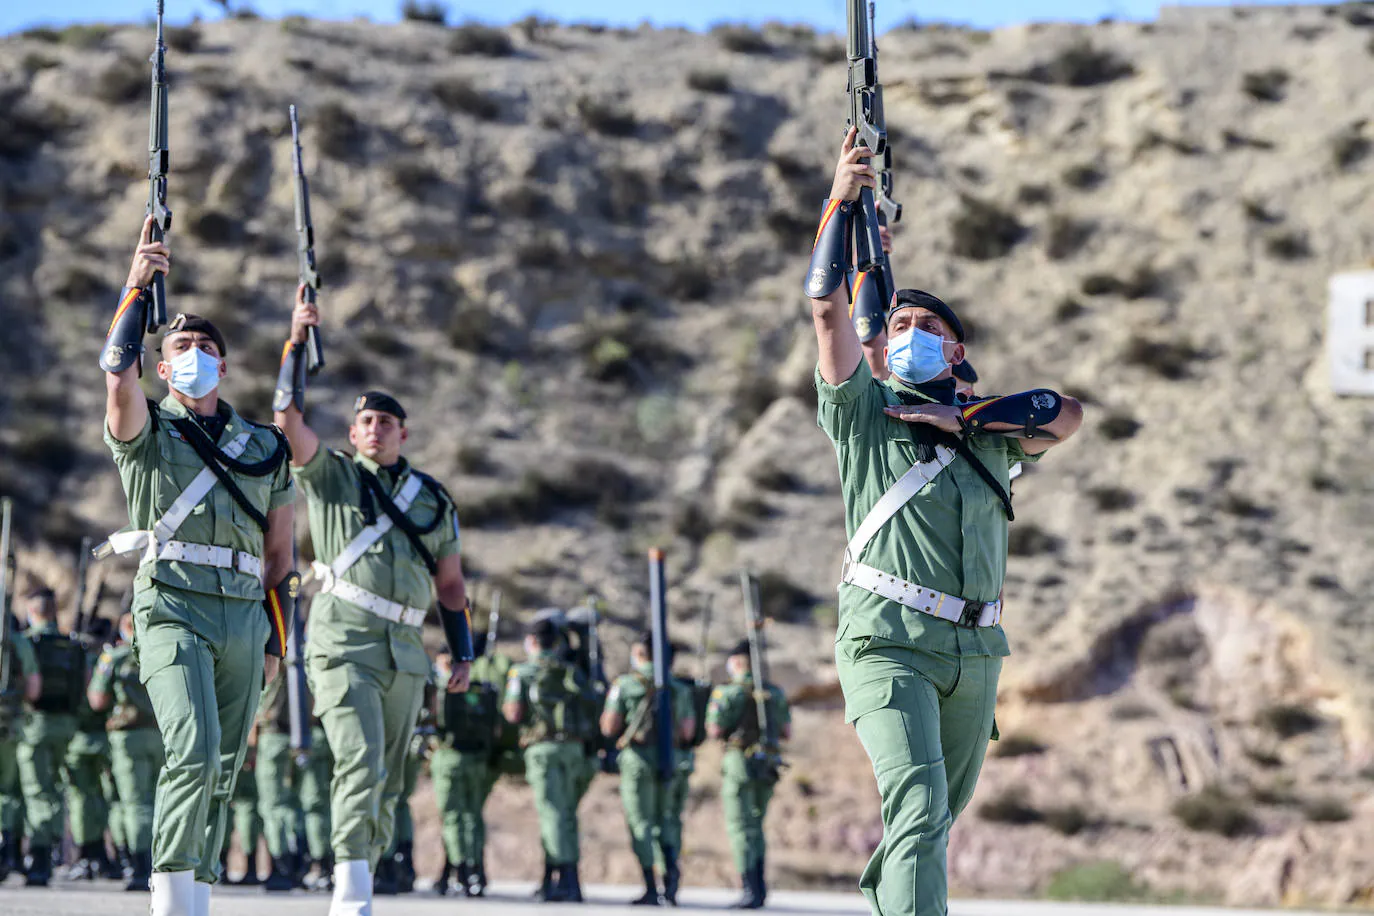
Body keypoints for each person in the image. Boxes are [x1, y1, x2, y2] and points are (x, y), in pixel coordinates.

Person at [803, 127, 1083, 916]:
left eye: (932, 330)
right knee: (920, 809)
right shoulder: (867, 418)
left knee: (928, 824)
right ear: (882, 350)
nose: (914, 337)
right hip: (886, 641)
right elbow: (828, 311)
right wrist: (841, 201)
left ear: (958, 352)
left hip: (975, 654)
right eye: (900, 327)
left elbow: (1066, 413)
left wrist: (966, 418)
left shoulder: (992, 437)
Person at [100, 216, 298, 916]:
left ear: (224, 362)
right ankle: (171, 900)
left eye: (206, 346)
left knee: (224, 768)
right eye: (180, 345)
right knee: (194, 747)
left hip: (245, 615)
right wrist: (135, 285)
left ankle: (198, 896)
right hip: (171, 603)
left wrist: (279, 640)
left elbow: (281, 558)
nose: (195, 354)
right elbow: (115, 379)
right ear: (163, 365)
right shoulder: (150, 431)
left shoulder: (265, 450)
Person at [272, 286, 474, 916]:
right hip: (343, 643)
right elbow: (286, 420)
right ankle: (349, 893)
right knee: (356, 759)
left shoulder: (433, 498)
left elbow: (451, 586)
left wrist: (463, 654)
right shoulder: (332, 475)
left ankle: (363, 866)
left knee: (391, 780)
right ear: (353, 432)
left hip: (407, 652)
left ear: (402, 431)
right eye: (364, 421)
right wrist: (297, 342)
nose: (374, 428)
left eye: (385, 421)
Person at [600, 633, 696, 906]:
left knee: (641, 822)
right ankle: (671, 881)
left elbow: (609, 727)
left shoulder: (626, 685)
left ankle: (650, 886)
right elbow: (688, 731)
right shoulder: (681, 688)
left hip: (639, 761)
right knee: (668, 820)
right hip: (674, 760)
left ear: (641, 653)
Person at [502, 617, 587, 903]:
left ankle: (563, 880)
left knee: (551, 814)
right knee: (567, 815)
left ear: (533, 642)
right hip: (574, 751)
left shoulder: (523, 672)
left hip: (542, 750)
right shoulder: (571, 671)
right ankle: (564, 878)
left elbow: (513, 713)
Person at [705, 641, 790, 910]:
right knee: (757, 826)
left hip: (739, 764)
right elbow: (787, 732)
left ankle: (749, 889)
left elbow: (714, 730)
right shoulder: (774, 692)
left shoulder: (727, 692)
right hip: (767, 765)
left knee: (740, 827)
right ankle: (760, 888)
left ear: (737, 662)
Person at [89, 611, 164, 891]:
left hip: (127, 738)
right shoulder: (160, 652)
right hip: (159, 735)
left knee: (135, 803)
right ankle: (161, 864)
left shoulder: (115, 658)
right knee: (159, 802)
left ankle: (138, 866)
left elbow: (97, 700)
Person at [431, 637, 509, 898]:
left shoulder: (442, 687)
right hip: (478, 759)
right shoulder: (482, 691)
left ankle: (460, 870)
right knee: (474, 816)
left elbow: (433, 720)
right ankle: (477, 870)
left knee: (453, 817)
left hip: (450, 758)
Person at [16, 586, 84, 887]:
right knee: (56, 788)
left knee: (36, 791)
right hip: (67, 725)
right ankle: (53, 848)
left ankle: (40, 862)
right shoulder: (70, 643)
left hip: (36, 724)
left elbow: (30, 689)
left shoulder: (28, 643)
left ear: (32, 611)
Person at [0, 605, 40, 880]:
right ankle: (9, 854)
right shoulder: (20, 642)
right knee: (9, 790)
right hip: (10, 725)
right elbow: (34, 688)